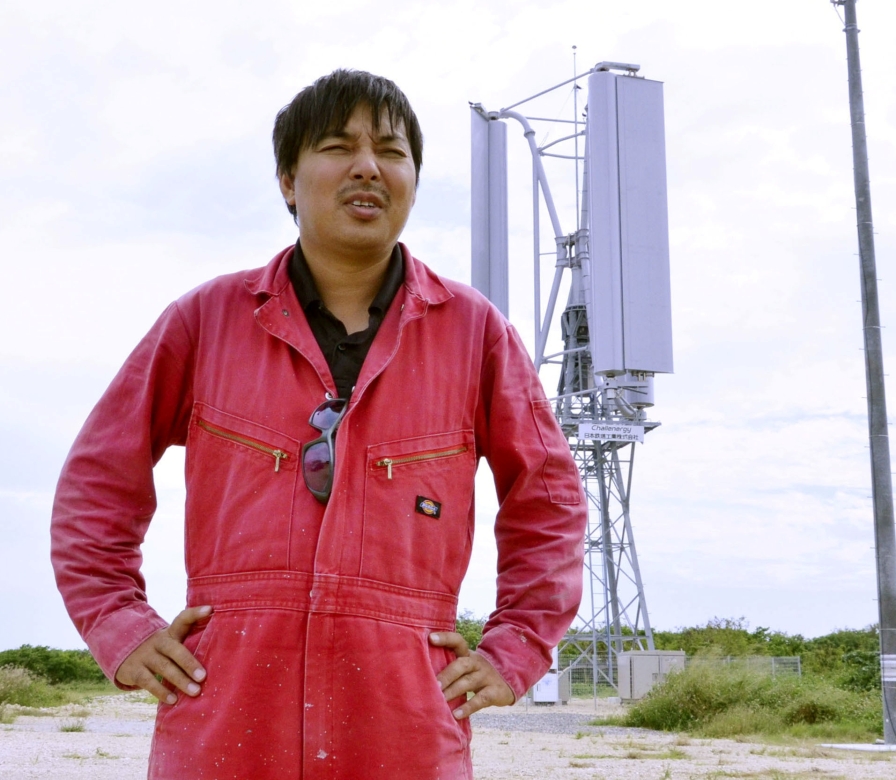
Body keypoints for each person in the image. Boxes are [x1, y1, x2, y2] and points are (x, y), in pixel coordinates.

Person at [50, 69, 586, 779]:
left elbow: (549, 499)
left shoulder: (476, 335)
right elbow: (97, 480)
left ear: (413, 184)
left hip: (403, 722)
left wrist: (513, 647)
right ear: (287, 179)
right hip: (227, 712)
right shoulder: (206, 322)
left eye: (392, 152)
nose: (369, 166)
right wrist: (121, 625)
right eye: (339, 145)